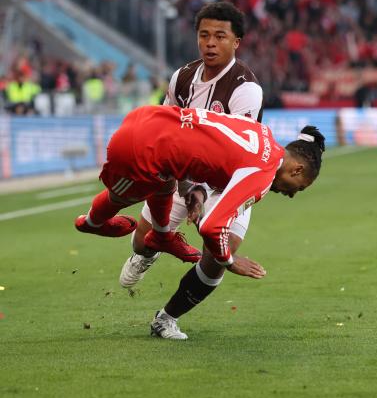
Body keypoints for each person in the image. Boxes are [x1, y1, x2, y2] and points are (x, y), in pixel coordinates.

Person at [75, 105, 325, 339]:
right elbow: (212, 226)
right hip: (143, 149)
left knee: (163, 184)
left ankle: (160, 237)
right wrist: (229, 261)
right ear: (297, 170)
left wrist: (196, 190)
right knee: (121, 196)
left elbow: (207, 143)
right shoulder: (263, 174)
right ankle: (90, 223)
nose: (291, 194)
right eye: (299, 189)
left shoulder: (261, 132)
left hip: (148, 118)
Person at [118, 2, 264, 292]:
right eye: (204, 35)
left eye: (220, 36)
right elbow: (164, 133)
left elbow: (235, 156)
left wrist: (204, 201)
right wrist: (187, 188)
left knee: (217, 256)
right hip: (184, 173)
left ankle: (168, 316)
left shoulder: (245, 89)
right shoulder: (182, 78)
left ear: (236, 42)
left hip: (228, 182)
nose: (210, 43)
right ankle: (149, 253)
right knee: (141, 242)